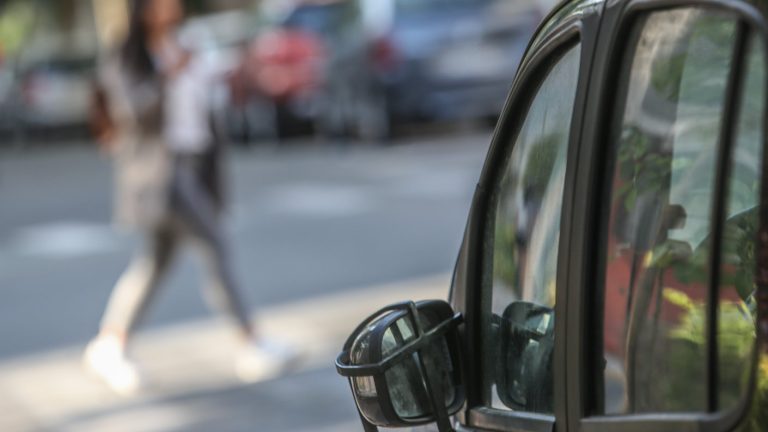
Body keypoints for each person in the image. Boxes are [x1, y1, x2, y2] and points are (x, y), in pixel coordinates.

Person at [85, 0, 296, 395]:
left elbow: (202, 109)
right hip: (159, 174)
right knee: (214, 244)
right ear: (144, 9)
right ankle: (251, 342)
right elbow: (132, 113)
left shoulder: (184, 45)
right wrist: (169, 73)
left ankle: (110, 344)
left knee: (154, 264)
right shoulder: (129, 57)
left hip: (194, 167)